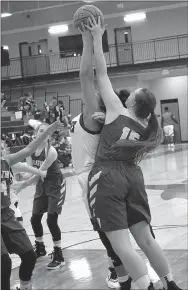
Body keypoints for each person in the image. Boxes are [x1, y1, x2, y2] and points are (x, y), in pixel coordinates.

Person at [85, 16, 181, 290]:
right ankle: (170, 283)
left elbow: (100, 74)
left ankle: (146, 286)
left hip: (108, 177)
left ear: (134, 102)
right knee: (146, 239)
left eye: (133, 93)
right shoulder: (147, 127)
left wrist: (96, 36)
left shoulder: (118, 110)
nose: (128, 93)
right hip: (133, 177)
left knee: (121, 245)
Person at [70, 23, 159, 290]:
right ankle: (134, 277)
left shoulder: (93, 113)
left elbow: (86, 75)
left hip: (94, 177)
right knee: (126, 236)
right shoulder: (108, 116)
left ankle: (130, 280)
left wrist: (87, 38)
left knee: (112, 239)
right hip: (112, 175)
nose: (95, 92)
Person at [1, 120, 64, 290]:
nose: (1, 149)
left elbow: (29, 148)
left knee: (29, 255)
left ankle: (25, 287)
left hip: (6, 214)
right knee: (4, 263)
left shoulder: (7, 160)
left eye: (2, 147)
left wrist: (49, 130)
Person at [16, 122, 66, 270]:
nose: (42, 133)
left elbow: (40, 174)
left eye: (45, 131)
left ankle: (58, 254)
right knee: (35, 219)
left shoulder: (51, 151)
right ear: (36, 134)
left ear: (49, 135)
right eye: (40, 131)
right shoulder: (32, 150)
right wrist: (21, 177)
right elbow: (30, 172)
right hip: (42, 185)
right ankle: (40, 247)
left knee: (51, 219)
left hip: (55, 185)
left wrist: (23, 186)